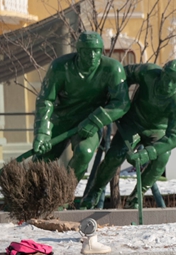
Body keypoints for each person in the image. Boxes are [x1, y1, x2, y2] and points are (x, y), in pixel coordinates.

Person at [80, 60, 176, 209]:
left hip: (157, 130)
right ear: (162, 73)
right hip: (132, 122)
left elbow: (175, 136)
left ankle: (137, 195)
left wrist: (149, 152)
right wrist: (118, 98)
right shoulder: (148, 72)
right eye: (167, 78)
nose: (169, 84)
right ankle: (95, 191)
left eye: (175, 82)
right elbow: (122, 75)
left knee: (162, 157)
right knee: (115, 155)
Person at [32, 32, 130, 180]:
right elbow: (45, 100)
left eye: (96, 50)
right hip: (61, 118)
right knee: (42, 158)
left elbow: (122, 102)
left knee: (85, 152)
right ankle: (25, 198)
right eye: (86, 51)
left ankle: (64, 193)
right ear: (78, 51)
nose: (92, 55)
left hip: (90, 120)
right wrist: (42, 132)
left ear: (101, 51)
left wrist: (96, 121)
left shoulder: (112, 69)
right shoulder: (60, 67)